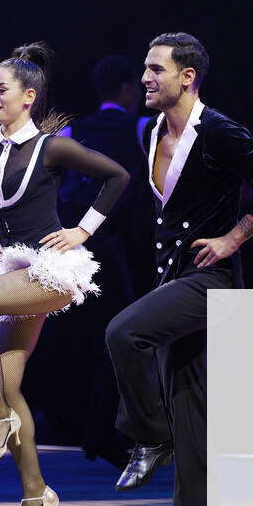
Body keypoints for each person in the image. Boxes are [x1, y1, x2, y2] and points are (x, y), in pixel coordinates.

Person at [106, 33, 253, 506]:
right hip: (173, 279)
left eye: (155, 69)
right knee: (188, 400)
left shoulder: (217, 131)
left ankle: (148, 436)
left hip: (212, 281)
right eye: (144, 69)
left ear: (187, 77)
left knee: (123, 332)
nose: (145, 78)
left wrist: (233, 238)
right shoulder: (150, 131)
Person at [0, 42, 130, 506]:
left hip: (52, 270)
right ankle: (35, 493)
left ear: (28, 96)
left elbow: (117, 177)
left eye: (1, 89)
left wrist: (82, 231)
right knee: (10, 385)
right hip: (13, 268)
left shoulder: (51, 147)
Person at [57, 54, 156, 468]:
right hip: (113, 249)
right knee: (122, 339)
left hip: (63, 247)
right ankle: (104, 432)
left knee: (79, 338)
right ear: (128, 89)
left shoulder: (72, 129)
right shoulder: (139, 128)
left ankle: (89, 429)